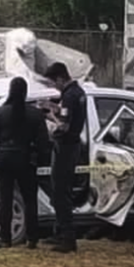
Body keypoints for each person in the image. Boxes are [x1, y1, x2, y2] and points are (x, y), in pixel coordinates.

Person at [0, 77, 51, 248]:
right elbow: (43, 143)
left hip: (4, 158)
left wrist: (5, 140)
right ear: (26, 92)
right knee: (30, 199)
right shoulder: (35, 114)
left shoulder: (0, 112)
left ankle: (5, 238)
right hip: (25, 159)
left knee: (5, 198)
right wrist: (41, 158)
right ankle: (32, 238)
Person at [42, 62, 86, 253]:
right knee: (61, 190)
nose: (55, 87)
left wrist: (50, 117)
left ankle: (67, 238)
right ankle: (60, 233)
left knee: (60, 192)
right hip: (72, 146)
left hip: (66, 147)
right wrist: (53, 106)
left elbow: (65, 126)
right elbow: (69, 114)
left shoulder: (69, 96)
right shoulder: (78, 92)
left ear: (61, 78)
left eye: (54, 83)